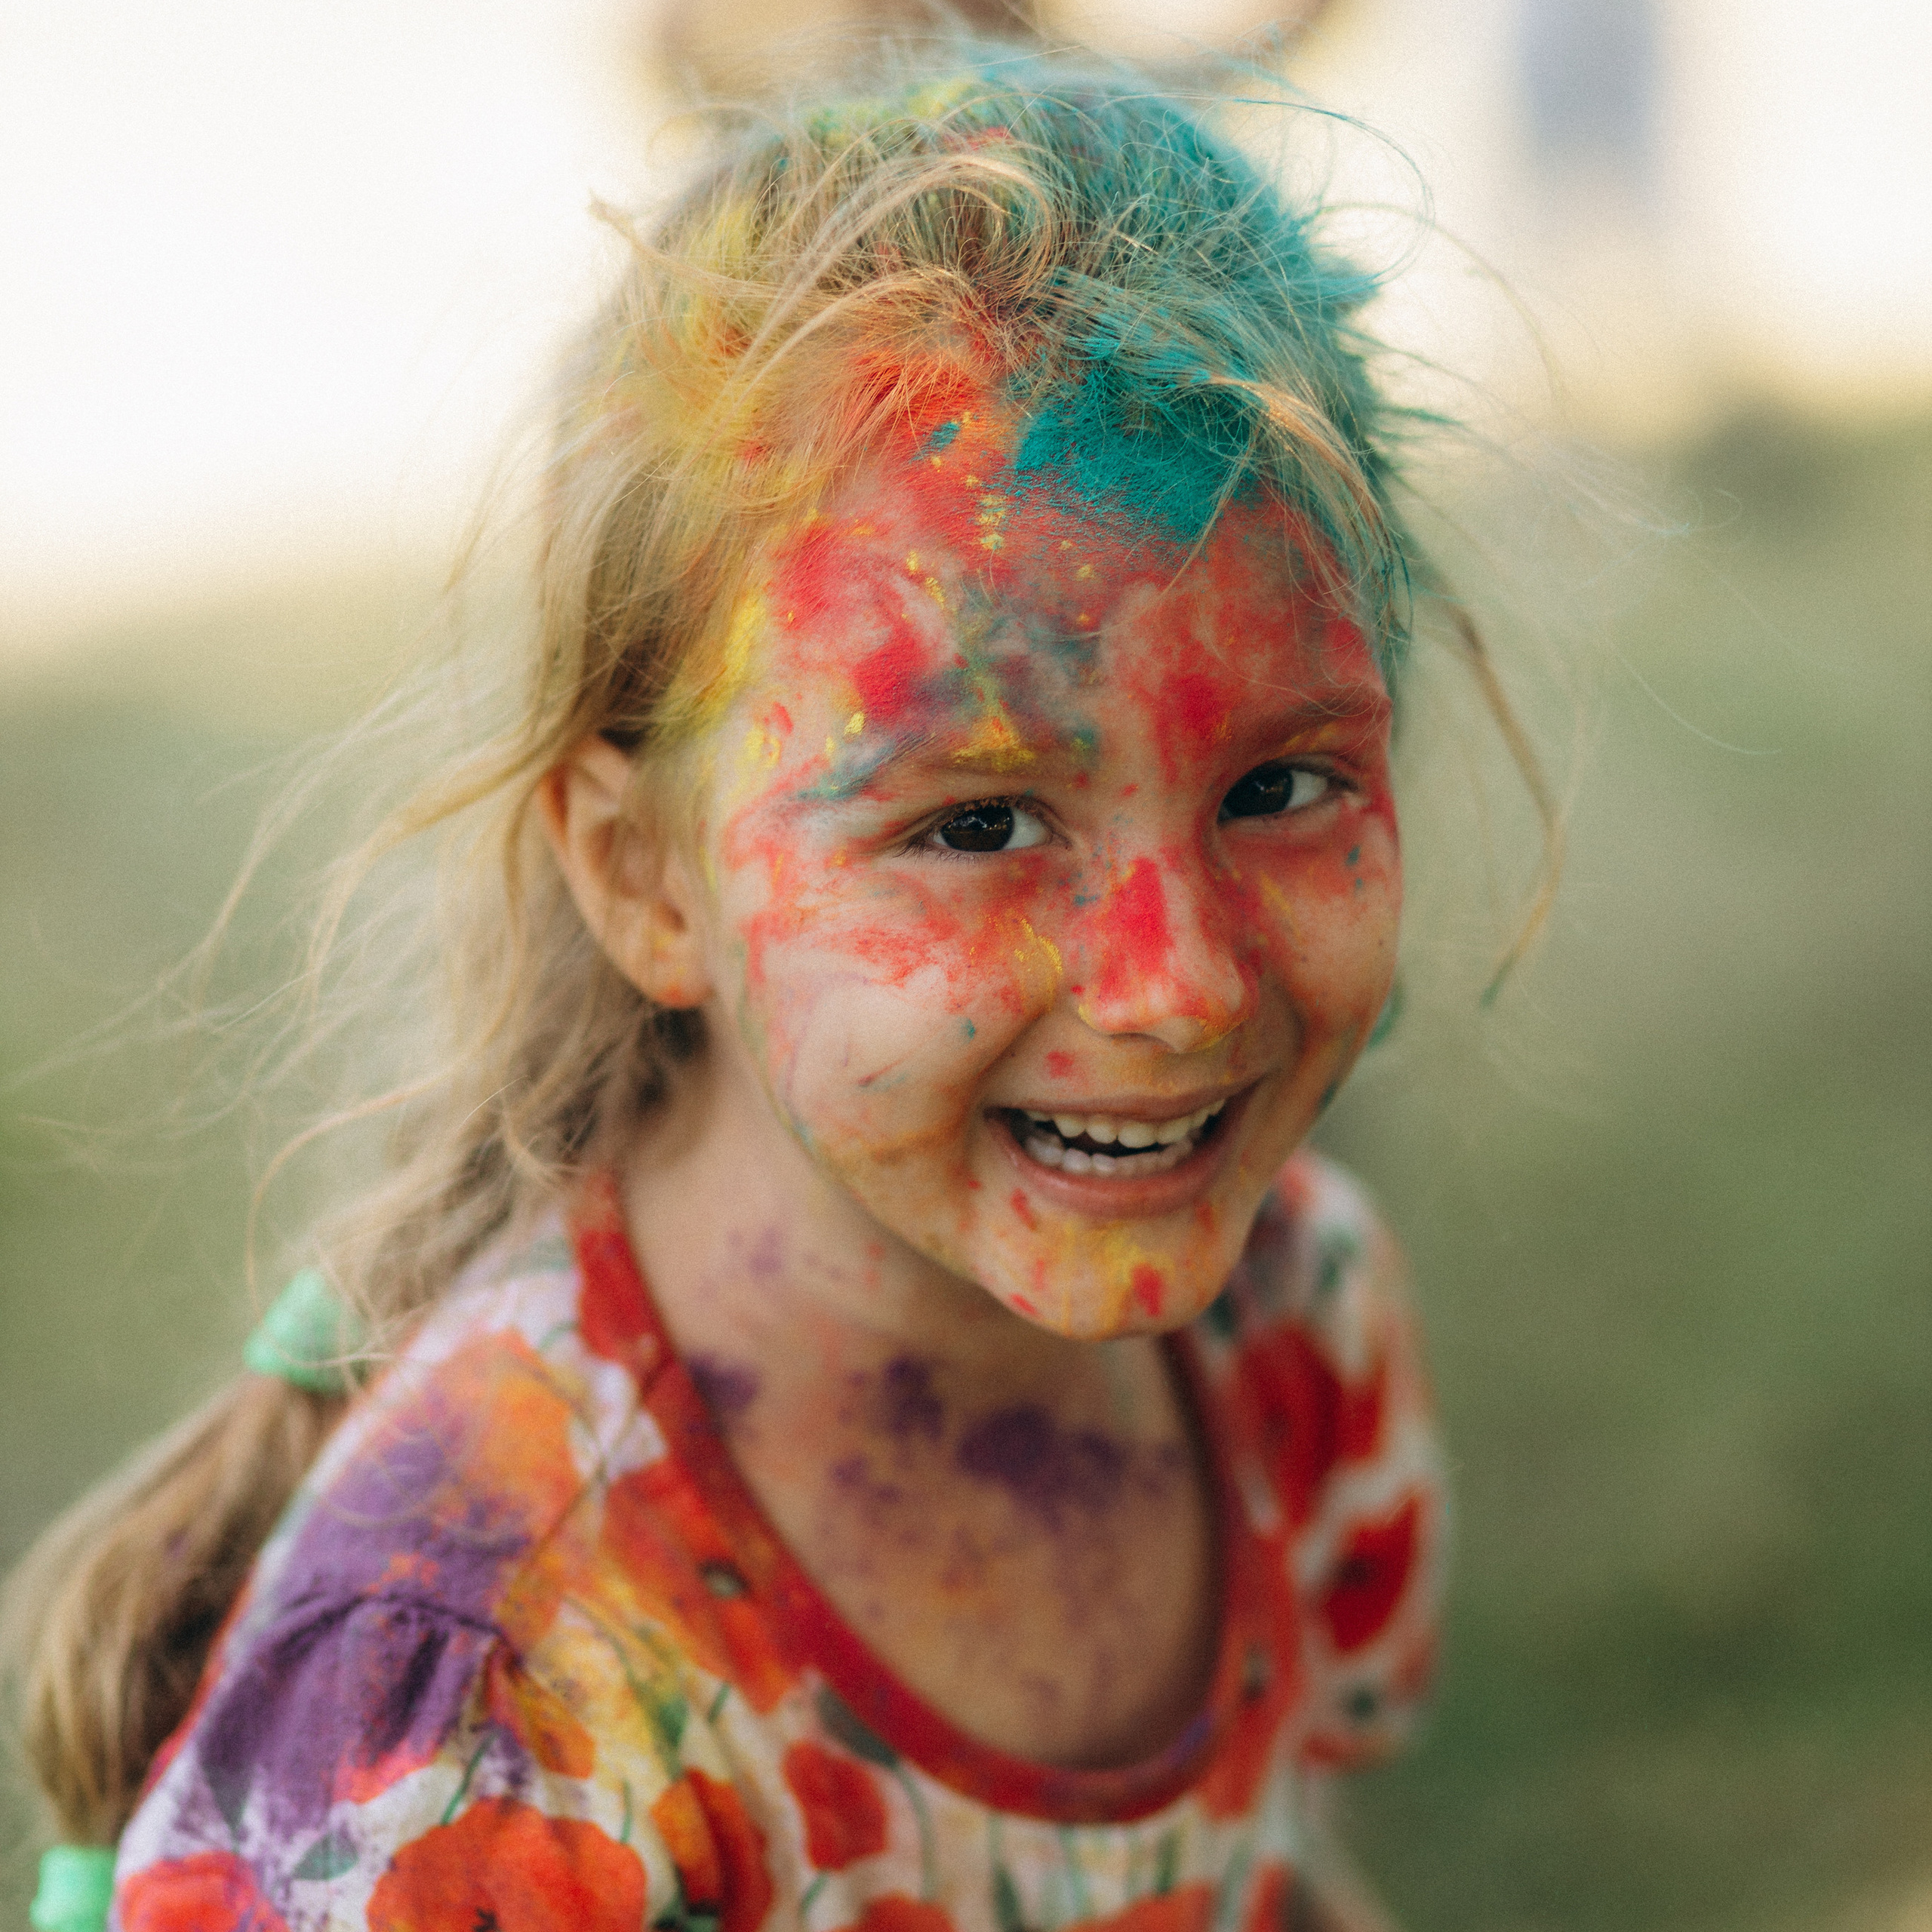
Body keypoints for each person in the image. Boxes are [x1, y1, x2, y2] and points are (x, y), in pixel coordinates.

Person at [6, 47, 1500, 1932]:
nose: (1178, 983)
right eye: (973, 823)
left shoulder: (1292, 1321)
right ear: (644, 877)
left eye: (1277, 785)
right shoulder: (464, 1734)